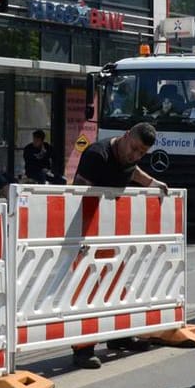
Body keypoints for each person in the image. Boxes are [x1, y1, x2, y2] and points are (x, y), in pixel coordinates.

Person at [69, 123, 162, 369]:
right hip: (87, 232)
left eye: (141, 153)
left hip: (111, 232)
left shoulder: (128, 158)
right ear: (125, 136)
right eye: (133, 148)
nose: (134, 155)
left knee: (117, 285)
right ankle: (83, 349)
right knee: (87, 290)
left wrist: (154, 185)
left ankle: (119, 336)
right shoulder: (96, 155)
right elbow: (78, 191)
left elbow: (133, 172)